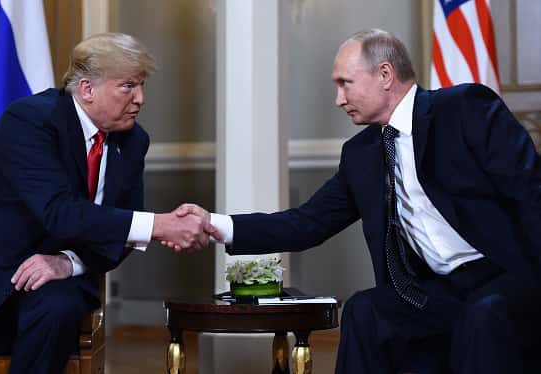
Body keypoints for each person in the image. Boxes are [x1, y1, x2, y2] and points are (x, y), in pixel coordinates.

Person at [171, 29, 541, 373]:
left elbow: (530, 192)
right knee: (365, 310)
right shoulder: (361, 153)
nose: (338, 99)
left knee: (484, 313)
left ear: (384, 75)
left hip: (507, 275)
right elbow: (306, 223)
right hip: (437, 291)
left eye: (345, 84)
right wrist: (213, 223)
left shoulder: (464, 108)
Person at [0, 32, 214, 374]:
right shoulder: (31, 120)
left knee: (58, 308)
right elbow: (60, 211)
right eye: (128, 86)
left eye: (142, 85)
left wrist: (69, 263)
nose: (141, 99)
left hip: (56, 280)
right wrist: (160, 225)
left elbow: (123, 234)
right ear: (87, 89)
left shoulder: (133, 142)